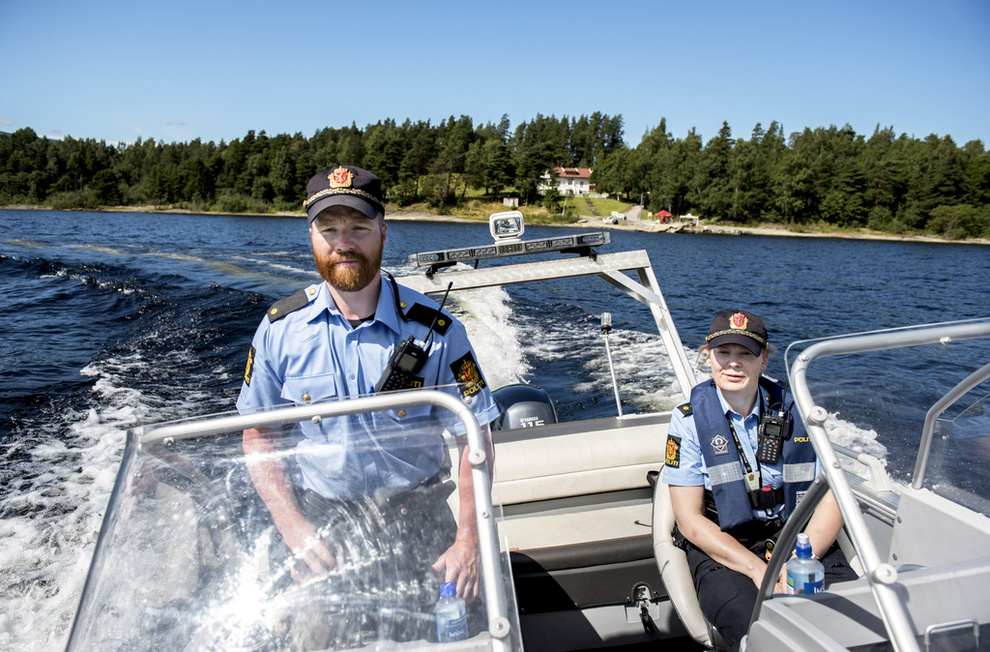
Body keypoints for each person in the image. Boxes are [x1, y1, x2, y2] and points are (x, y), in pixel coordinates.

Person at [236, 165, 500, 645]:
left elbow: (475, 437)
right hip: (323, 528)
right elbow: (258, 434)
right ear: (311, 235)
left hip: (418, 524)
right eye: (328, 228)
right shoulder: (279, 331)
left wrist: (469, 540)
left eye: (358, 226)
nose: (343, 242)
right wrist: (292, 525)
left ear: (382, 230)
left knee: (453, 641)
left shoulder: (437, 332)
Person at [663, 310, 856, 652]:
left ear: (764, 361)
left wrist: (798, 560)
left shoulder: (800, 412)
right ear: (708, 358)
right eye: (724, 353)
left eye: (746, 354)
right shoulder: (688, 422)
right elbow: (690, 521)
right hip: (725, 545)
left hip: (798, 538)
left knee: (856, 622)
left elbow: (833, 495)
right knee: (766, 635)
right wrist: (759, 570)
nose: (733, 364)